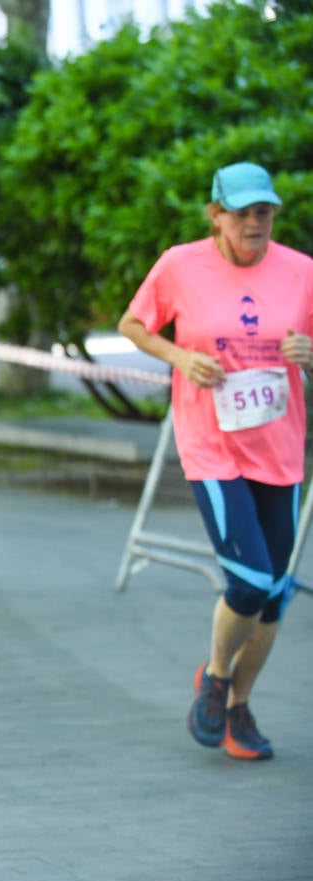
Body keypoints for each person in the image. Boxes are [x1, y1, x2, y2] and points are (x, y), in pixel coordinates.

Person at [119, 161, 313, 761]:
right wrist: (180, 356)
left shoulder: (303, 272)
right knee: (252, 579)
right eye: (243, 212)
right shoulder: (181, 264)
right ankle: (215, 677)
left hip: (279, 447)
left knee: (274, 594)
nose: (256, 222)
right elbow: (132, 324)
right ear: (216, 215)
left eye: (265, 211)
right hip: (212, 445)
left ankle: (237, 708)